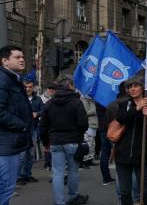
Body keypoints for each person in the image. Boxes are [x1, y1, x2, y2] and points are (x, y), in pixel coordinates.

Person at [40, 74, 89, 205]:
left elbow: (43, 126)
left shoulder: (49, 104)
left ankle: (59, 201)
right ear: (70, 86)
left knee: (57, 173)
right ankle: (72, 196)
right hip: (72, 141)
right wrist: (79, 135)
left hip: (55, 141)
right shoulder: (76, 102)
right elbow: (84, 124)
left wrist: (45, 142)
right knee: (73, 171)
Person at [114, 76, 147, 205]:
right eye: (130, 87)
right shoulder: (125, 104)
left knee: (144, 191)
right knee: (124, 191)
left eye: (136, 86)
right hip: (123, 154)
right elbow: (121, 119)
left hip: (142, 154)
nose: (133, 89)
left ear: (143, 88)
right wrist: (136, 109)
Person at [0, 45, 33, 204]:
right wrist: (23, 125)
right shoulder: (3, 79)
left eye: (22, 57)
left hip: (9, 142)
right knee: (6, 188)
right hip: (6, 144)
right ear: (5, 61)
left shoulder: (13, 78)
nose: (22, 59)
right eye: (17, 57)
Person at [17, 79, 44, 185]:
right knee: (21, 154)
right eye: (25, 87)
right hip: (22, 130)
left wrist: (37, 113)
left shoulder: (37, 99)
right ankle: (18, 177)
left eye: (30, 87)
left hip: (33, 129)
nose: (27, 89)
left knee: (30, 154)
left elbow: (44, 110)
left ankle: (26, 174)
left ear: (33, 88)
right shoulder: (19, 99)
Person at [80, 96, 98, 168]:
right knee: (88, 143)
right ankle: (84, 161)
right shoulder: (84, 99)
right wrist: (94, 110)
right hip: (89, 124)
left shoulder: (92, 99)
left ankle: (90, 159)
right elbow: (84, 112)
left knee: (92, 143)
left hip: (94, 124)